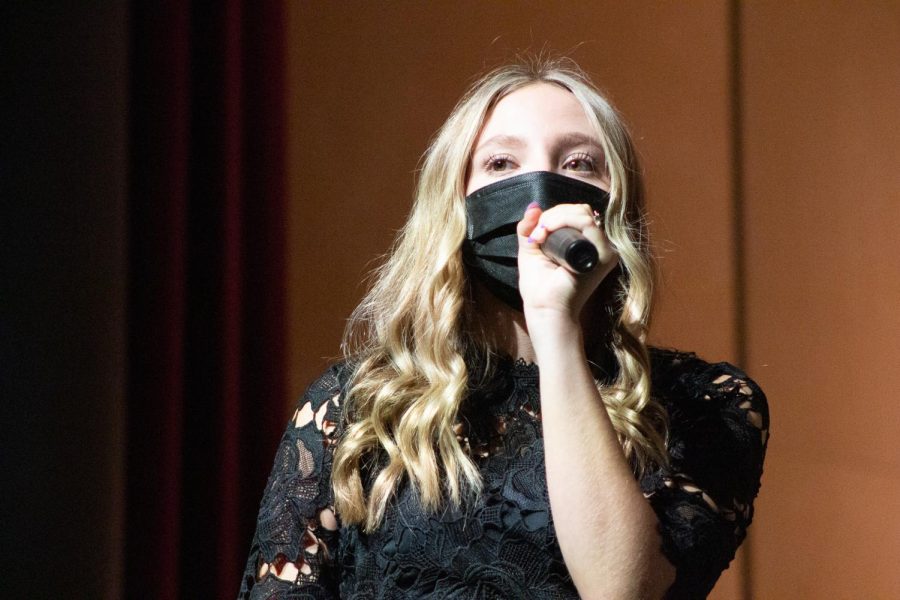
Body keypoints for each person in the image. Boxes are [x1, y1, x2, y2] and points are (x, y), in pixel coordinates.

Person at [238, 57, 769, 600]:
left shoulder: (703, 406)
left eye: (580, 163)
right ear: (455, 204)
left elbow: (622, 589)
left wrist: (554, 328)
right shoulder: (356, 407)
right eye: (500, 163)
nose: (538, 190)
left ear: (618, 209)